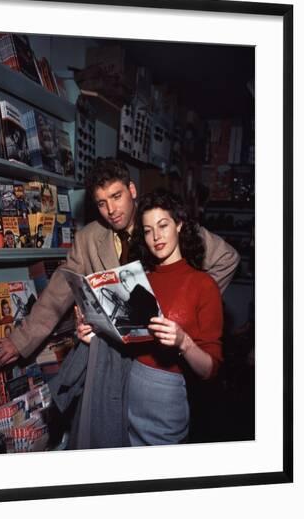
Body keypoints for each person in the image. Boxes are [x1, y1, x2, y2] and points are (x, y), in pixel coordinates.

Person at [0, 158, 239, 369]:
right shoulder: (88, 238)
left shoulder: (162, 222)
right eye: (101, 203)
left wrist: (189, 308)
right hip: (111, 359)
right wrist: (20, 340)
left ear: (131, 190)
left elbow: (227, 258)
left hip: (164, 360)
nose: (111, 209)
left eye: (116, 196)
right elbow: (57, 293)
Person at [76, 189, 224, 446]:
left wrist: (185, 342)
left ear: (179, 224)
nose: (156, 237)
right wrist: (94, 335)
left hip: (167, 398)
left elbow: (210, 369)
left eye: (163, 225)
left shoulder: (203, 284)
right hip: (125, 388)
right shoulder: (138, 280)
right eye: (147, 230)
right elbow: (125, 340)